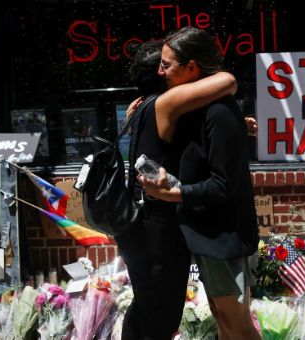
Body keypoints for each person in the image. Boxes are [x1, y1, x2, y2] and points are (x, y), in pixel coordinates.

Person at [139, 27, 261, 340]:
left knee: (238, 326)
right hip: (205, 234)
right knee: (222, 320)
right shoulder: (195, 109)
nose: (160, 71)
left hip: (224, 236)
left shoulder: (219, 111)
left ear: (192, 67)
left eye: (167, 65)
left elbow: (223, 186)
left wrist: (174, 194)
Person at [115, 40, 239, 340]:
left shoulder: (146, 105)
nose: (166, 70)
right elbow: (228, 81)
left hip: (140, 227)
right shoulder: (165, 103)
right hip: (155, 230)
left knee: (148, 309)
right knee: (160, 317)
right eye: (166, 65)